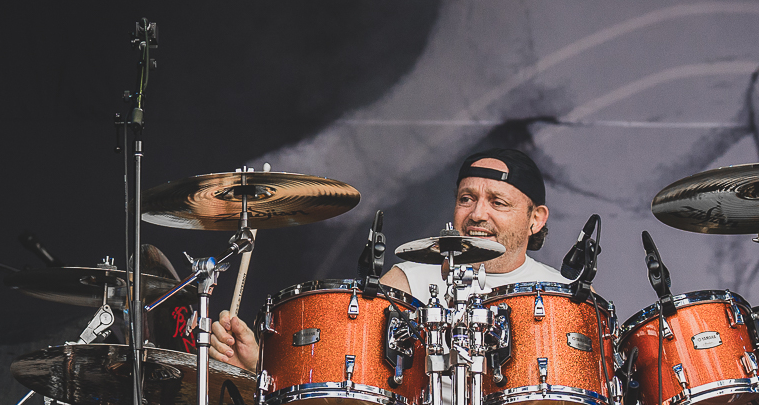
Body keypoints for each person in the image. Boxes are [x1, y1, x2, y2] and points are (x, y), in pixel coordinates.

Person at [208, 149, 568, 381]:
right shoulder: (408, 279)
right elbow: (348, 374)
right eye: (466, 198)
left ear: (535, 219)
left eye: (497, 203)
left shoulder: (565, 296)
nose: (476, 214)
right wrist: (262, 368)